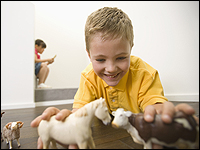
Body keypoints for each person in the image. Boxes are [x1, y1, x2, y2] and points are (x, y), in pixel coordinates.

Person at [31, 7, 198, 149]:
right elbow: (79, 112)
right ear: (89, 55)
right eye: (100, 60)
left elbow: (154, 104)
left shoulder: (146, 74)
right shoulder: (88, 77)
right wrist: (63, 124)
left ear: (130, 49)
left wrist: (161, 114)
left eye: (121, 58)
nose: (111, 69)